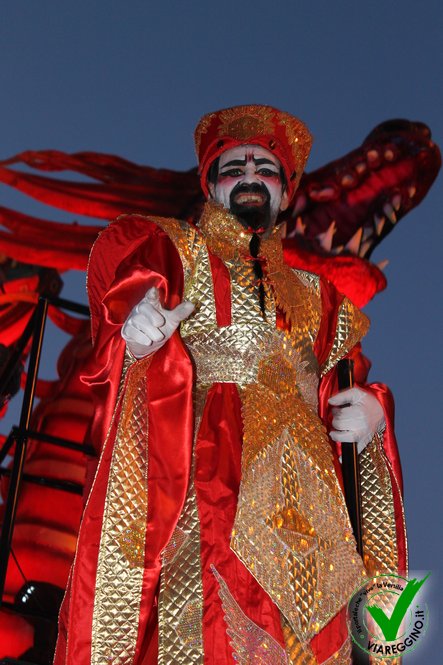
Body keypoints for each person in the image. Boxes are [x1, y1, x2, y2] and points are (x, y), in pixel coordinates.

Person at [54, 105, 406, 664]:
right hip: (211, 472)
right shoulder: (179, 251)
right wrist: (135, 332)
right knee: (208, 624)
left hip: (311, 508)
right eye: (233, 167)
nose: (249, 176)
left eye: (264, 168)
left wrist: (372, 417)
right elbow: (124, 284)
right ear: (211, 185)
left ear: (286, 192)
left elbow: (346, 386)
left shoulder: (323, 300)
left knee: (321, 640)